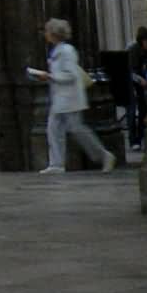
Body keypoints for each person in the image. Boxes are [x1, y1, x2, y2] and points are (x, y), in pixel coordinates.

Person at [28, 17, 116, 175]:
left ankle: (105, 156)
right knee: (53, 129)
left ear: (54, 33)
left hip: (70, 98)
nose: (45, 34)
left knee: (78, 130)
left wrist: (49, 76)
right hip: (60, 98)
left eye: (47, 31)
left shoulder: (67, 51)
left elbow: (70, 75)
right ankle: (56, 164)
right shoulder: (57, 51)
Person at [126, 27, 147, 150]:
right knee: (132, 112)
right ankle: (134, 141)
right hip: (132, 84)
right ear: (142, 41)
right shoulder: (133, 51)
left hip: (144, 84)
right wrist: (140, 79)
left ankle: (141, 137)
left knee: (144, 110)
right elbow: (130, 71)